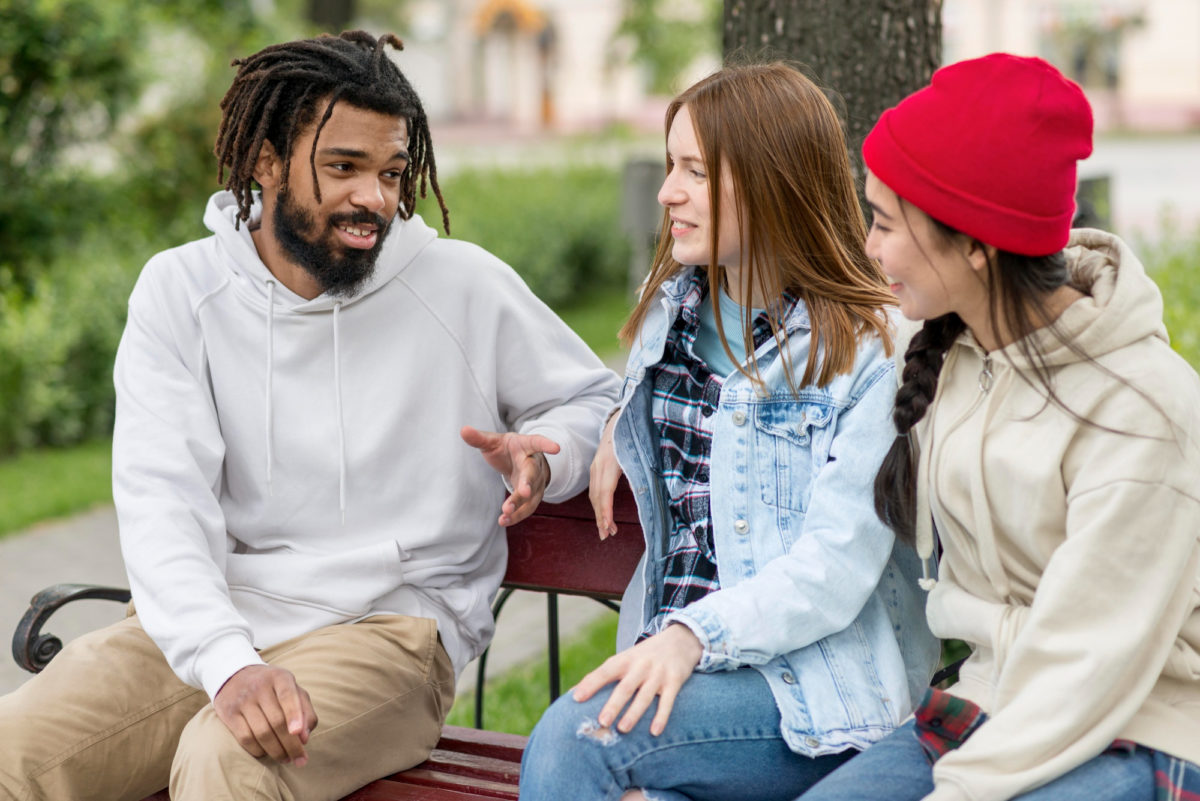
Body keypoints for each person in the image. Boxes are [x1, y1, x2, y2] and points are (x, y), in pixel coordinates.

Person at [0, 30, 619, 801]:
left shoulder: (460, 285)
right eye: (344, 167)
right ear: (266, 161)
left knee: (230, 760)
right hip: (218, 618)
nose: (375, 199)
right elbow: (163, 504)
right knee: (13, 750)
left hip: (390, 630)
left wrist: (549, 455)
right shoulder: (181, 292)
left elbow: (592, 398)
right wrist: (226, 658)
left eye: (391, 172)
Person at [518, 62, 939, 801]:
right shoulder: (669, 318)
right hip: (686, 679)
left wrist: (692, 636)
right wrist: (619, 421)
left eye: (696, 171)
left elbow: (835, 565)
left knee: (578, 736)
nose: (666, 192)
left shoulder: (868, 350)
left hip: (810, 694)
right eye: (670, 165)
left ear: (774, 182)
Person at [797, 53, 1200, 801]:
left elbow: (1088, 664)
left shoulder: (1143, 411)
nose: (868, 247)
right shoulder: (950, 349)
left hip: (1139, 724)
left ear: (976, 245)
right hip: (989, 701)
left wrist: (958, 790)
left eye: (883, 223)